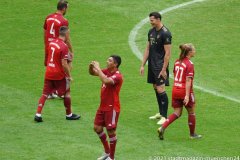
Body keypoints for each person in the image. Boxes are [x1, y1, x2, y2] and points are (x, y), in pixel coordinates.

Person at [34, 26, 80, 122]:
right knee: (67, 92)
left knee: (45, 94)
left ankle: (38, 114)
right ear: (66, 34)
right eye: (69, 34)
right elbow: (64, 63)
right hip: (58, 74)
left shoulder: (52, 43)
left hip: (49, 72)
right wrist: (69, 76)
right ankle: (69, 114)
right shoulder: (64, 46)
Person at [158, 43, 202, 140]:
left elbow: (175, 74)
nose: (195, 51)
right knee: (191, 112)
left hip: (175, 90)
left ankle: (162, 127)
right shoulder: (190, 64)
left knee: (177, 112)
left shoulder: (177, 62)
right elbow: (188, 80)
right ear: (189, 52)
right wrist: (187, 95)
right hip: (184, 91)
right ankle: (192, 134)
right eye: (194, 50)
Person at [140, 12, 172, 125]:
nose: (150, 22)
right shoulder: (151, 31)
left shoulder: (165, 33)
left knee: (161, 89)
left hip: (160, 66)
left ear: (158, 19)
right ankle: (160, 112)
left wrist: (164, 69)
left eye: (152, 20)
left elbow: (168, 53)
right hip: (152, 65)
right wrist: (143, 65)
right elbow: (148, 49)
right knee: (155, 87)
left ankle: (165, 116)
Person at [89, 55, 123, 160]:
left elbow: (106, 81)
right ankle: (107, 151)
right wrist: (91, 66)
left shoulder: (118, 76)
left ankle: (112, 158)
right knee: (97, 128)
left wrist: (98, 68)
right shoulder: (106, 71)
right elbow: (92, 73)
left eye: (109, 60)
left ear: (115, 64)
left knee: (111, 132)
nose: (107, 61)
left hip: (112, 107)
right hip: (102, 106)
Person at [43, 0, 74, 99]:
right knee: (67, 65)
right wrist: (71, 50)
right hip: (60, 47)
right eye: (67, 8)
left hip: (50, 46)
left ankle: (51, 92)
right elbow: (67, 37)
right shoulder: (64, 21)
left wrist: (46, 46)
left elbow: (45, 33)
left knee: (52, 67)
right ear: (64, 8)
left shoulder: (48, 17)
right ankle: (64, 91)